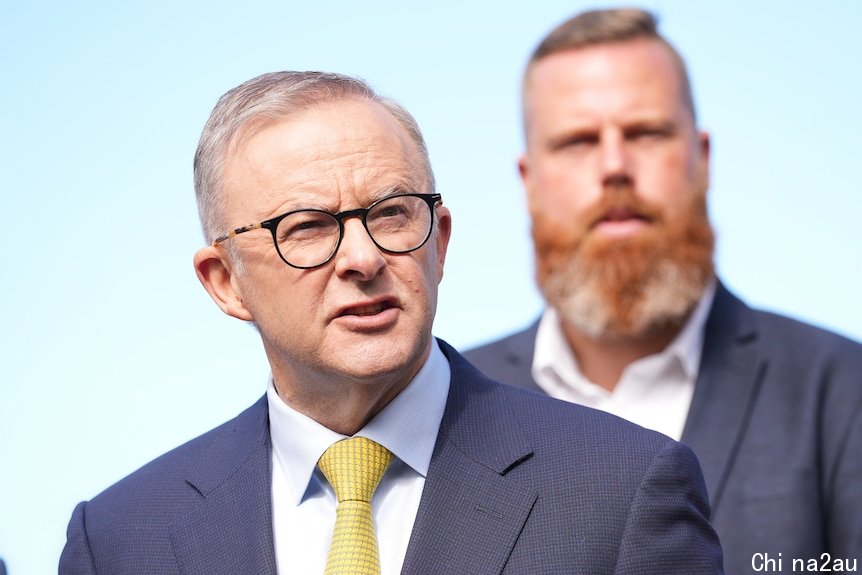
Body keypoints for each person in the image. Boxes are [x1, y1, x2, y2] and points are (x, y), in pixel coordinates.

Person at [59, 71, 722, 574]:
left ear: (440, 241)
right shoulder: (119, 538)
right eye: (308, 228)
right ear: (225, 282)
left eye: (393, 213)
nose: (363, 257)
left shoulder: (624, 489)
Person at [464, 8, 862, 575]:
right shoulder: (454, 410)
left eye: (646, 133)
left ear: (702, 159)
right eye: (577, 141)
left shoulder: (842, 391)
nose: (614, 166)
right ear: (528, 182)